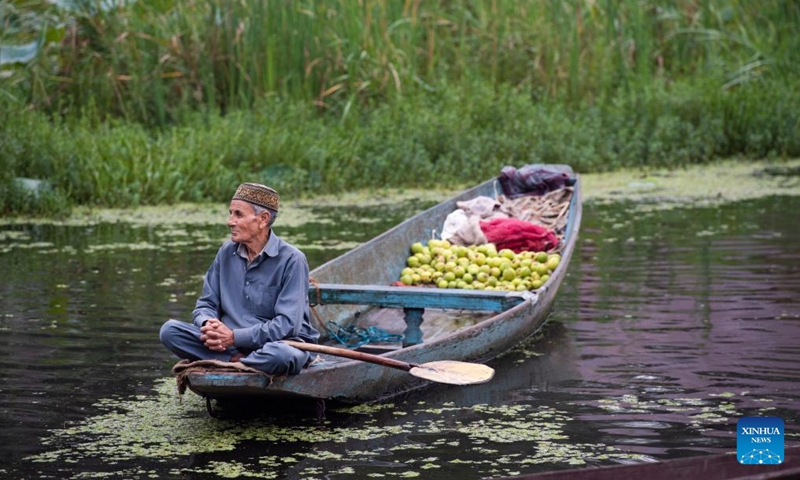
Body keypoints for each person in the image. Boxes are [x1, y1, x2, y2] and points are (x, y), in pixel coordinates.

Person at [160, 182, 320, 375]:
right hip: (229, 346)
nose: (230, 221)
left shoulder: (293, 259)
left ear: (263, 219)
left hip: (275, 344)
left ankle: (233, 362)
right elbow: (205, 304)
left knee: (282, 356)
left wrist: (234, 337)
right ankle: (239, 361)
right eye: (230, 213)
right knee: (170, 331)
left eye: (238, 214)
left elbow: (286, 326)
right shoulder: (226, 252)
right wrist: (208, 324)